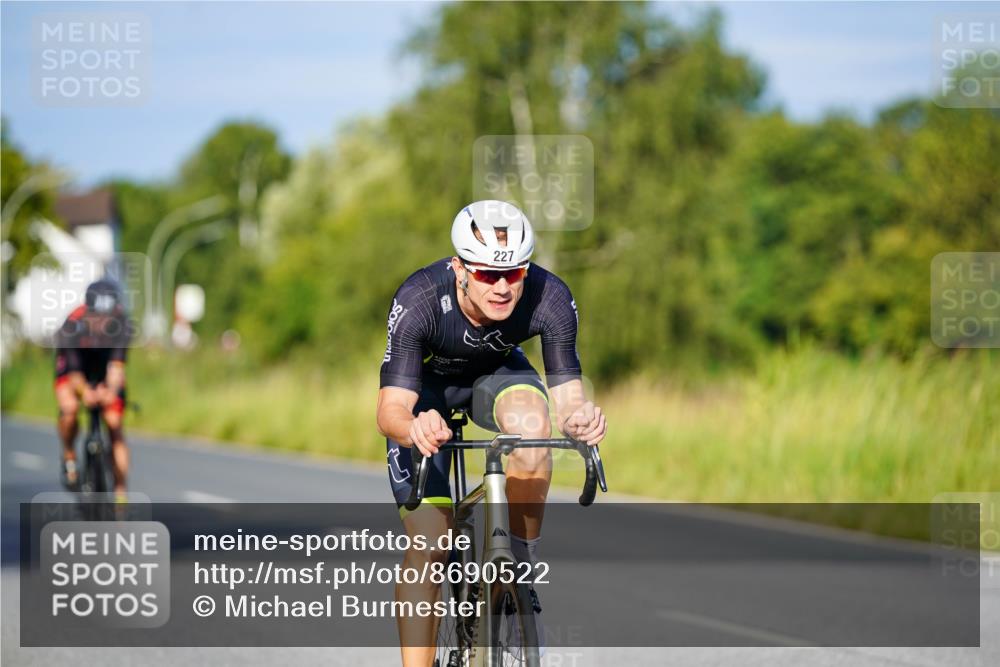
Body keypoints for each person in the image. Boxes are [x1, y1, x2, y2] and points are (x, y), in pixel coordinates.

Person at [376, 200, 607, 666]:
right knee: (430, 540)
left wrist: (581, 418)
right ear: (460, 268)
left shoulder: (551, 296)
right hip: (426, 392)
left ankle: (516, 570)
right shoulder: (420, 297)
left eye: (514, 273)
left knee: (533, 427)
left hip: (497, 374)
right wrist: (414, 424)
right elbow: (390, 409)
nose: (502, 287)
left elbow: (568, 399)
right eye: (486, 275)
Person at [53, 278, 131, 496]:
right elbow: (74, 373)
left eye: (108, 318)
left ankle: (120, 491)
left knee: (114, 423)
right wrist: (85, 392)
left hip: (104, 368)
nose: (103, 323)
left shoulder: (123, 324)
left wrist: (111, 391)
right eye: (98, 317)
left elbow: (116, 368)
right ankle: (69, 455)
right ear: (88, 312)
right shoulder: (72, 326)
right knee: (69, 409)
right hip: (75, 367)